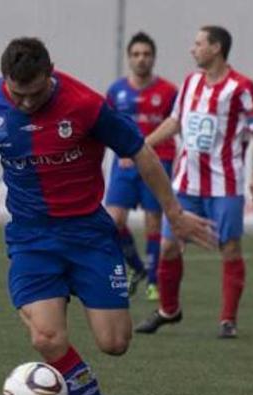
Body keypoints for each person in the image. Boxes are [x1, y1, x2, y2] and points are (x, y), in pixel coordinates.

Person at [0, 38, 215, 395]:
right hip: (32, 240)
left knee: (114, 342)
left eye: (35, 93)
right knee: (46, 336)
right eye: (17, 94)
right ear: (5, 81)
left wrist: (174, 212)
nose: (25, 103)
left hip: (89, 236)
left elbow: (140, 151)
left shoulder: (85, 104)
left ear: (51, 72)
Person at [134, 26, 253, 339]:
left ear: (216, 48)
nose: (192, 49)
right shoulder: (190, 82)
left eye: (198, 44)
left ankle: (227, 320)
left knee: (230, 247)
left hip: (226, 184)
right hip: (186, 183)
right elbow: (176, 121)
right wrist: (142, 145)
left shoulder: (242, 87)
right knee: (168, 246)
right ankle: (169, 310)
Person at [103, 32, 178, 301]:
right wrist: (120, 149)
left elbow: (177, 124)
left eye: (146, 54)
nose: (141, 59)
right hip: (124, 162)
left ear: (154, 58)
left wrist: (144, 146)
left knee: (153, 221)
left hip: (159, 160)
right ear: (129, 58)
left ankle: (154, 282)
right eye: (136, 54)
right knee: (113, 220)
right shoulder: (116, 91)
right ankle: (138, 268)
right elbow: (106, 125)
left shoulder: (169, 92)